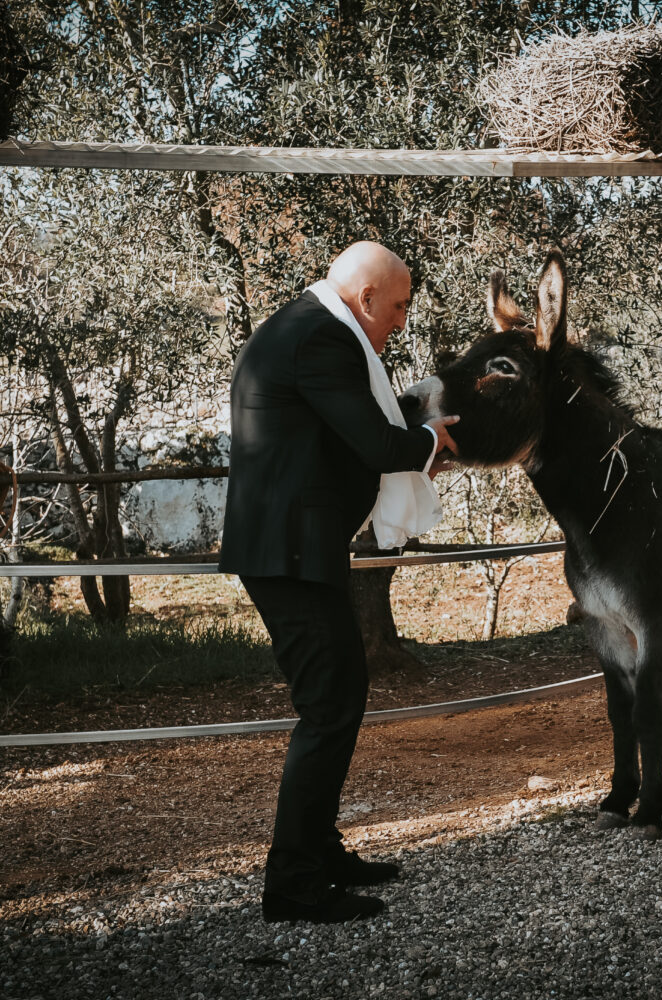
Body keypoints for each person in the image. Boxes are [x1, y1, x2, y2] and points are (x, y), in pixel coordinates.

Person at [219, 241, 459, 924]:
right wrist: (436, 442)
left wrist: (417, 431)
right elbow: (379, 446)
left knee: (342, 694)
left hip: (297, 552)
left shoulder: (311, 327)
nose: (403, 321)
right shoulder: (321, 339)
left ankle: (319, 852)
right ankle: (292, 883)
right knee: (329, 708)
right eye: (400, 306)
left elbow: (345, 437)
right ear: (365, 299)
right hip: (286, 555)